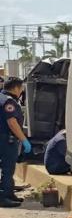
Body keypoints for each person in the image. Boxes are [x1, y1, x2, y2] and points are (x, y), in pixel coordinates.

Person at [0, 77, 31, 207]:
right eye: (21, 88)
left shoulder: (1, 97)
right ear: (16, 88)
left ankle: (9, 193)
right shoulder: (9, 102)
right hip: (6, 139)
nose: (22, 91)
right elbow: (12, 123)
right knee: (8, 168)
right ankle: (4, 197)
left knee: (7, 167)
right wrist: (24, 140)